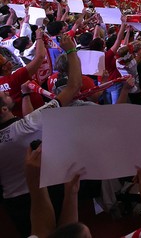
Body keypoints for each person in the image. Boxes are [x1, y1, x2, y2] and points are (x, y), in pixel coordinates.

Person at [0, 35, 82, 237]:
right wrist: (71, 51)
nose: (6, 92)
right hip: (45, 190)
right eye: (4, 96)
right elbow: (73, 87)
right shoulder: (29, 126)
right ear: (3, 109)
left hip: (13, 201)